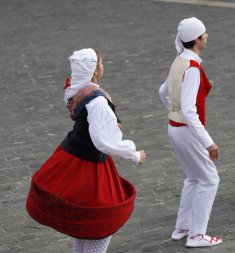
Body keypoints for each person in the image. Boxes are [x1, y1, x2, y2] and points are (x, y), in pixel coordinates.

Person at [26, 48, 146, 253]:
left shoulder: (78, 92)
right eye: (101, 63)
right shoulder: (97, 101)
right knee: (100, 227)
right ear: (93, 71)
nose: (103, 66)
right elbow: (104, 141)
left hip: (73, 158)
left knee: (85, 229)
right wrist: (134, 154)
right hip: (91, 167)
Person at [159, 17, 222, 248]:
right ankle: (197, 235)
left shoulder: (179, 60)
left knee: (194, 178)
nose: (207, 36)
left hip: (174, 127)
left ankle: (182, 227)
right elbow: (189, 110)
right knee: (209, 179)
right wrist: (208, 142)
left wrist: (171, 109)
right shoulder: (193, 68)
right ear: (196, 39)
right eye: (204, 34)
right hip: (187, 131)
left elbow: (163, 91)